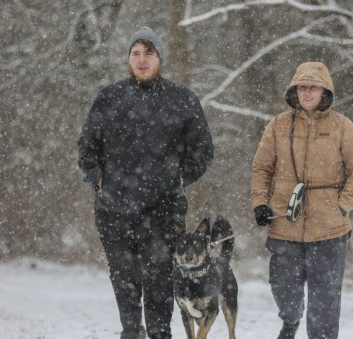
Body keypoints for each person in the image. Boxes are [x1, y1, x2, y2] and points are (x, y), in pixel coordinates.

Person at [78, 27, 213, 339]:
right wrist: (98, 181)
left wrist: (181, 176)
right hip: (114, 208)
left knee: (159, 277)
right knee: (124, 278)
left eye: (148, 53)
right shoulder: (109, 98)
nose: (141, 60)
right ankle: (130, 331)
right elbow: (87, 148)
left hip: (163, 209)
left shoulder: (182, 100)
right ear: (128, 59)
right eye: (135, 53)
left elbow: (203, 150)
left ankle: (159, 332)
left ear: (160, 58)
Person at [250, 61, 353, 339]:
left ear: (324, 92)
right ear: (294, 90)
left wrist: (343, 205)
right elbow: (262, 167)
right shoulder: (278, 125)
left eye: (313, 88)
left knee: (325, 301)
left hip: (329, 229)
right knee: (284, 290)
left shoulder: (342, 126)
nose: (307, 93)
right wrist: (259, 202)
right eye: (302, 87)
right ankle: (290, 322)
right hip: (284, 224)